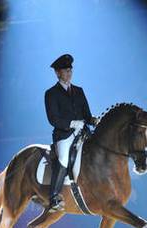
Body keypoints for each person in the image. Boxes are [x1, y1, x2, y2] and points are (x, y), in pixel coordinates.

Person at [44, 54, 99, 212]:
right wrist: (71, 124)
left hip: (83, 132)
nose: (69, 73)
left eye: (70, 70)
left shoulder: (79, 91)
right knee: (63, 158)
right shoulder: (51, 93)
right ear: (57, 73)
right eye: (65, 71)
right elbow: (53, 119)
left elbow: (87, 115)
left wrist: (94, 120)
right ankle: (54, 197)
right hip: (64, 135)